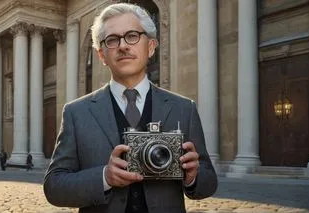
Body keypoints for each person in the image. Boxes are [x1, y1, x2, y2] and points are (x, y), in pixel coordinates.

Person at [43, 3, 217, 213]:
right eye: (112, 40)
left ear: (151, 46)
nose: (123, 46)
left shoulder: (183, 108)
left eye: (132, 35)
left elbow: (209, 181)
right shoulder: (76, 113)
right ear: (101, 55)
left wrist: (193, 177)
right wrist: (105, 177)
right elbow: (54, 187)